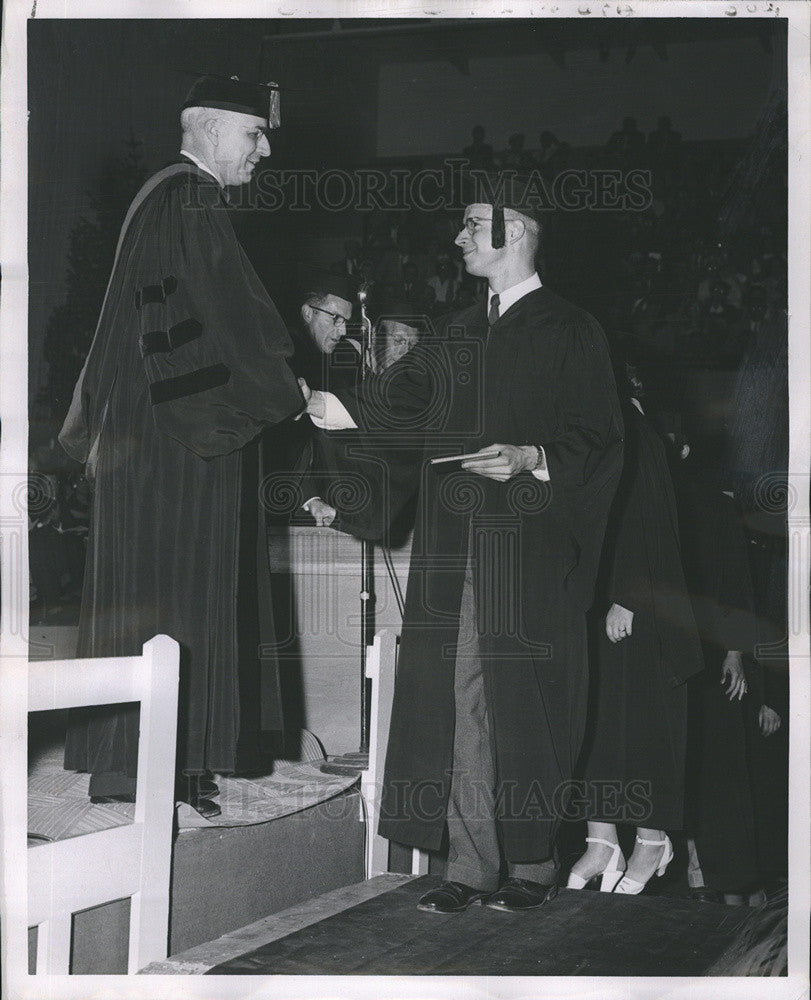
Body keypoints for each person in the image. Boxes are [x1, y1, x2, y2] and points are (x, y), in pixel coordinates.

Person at [303, 171, 624, 912]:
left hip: (530, 547)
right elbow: (396, 402)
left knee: (523, 703)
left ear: (519, 229)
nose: (458, 236)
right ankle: (469, 866)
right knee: (458, 699)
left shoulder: (572, 329)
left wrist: (529, 456)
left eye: (473, 223)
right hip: (455, 545)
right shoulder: (457, 330)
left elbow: (601, 441)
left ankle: (533, 863)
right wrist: (320, 402)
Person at [58, 75, 304, 818]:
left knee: (157, 593)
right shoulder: (190, 199)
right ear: (203, 125)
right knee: (183, 587)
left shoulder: (164, 200)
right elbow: (228, 321)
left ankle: (154, 763)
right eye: (252, 133)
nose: (263, 149)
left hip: (155, 430)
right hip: (181, 433)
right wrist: (291, 391)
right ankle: (168, 762)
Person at [567, 367, 703, 895]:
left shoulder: (634, 430)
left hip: (638, 607)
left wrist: (629, 596)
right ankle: (601, 840)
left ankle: (652, 838)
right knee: (595, 727)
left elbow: (653, 522)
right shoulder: (597, 428)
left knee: (643, 728)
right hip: (595, 603)